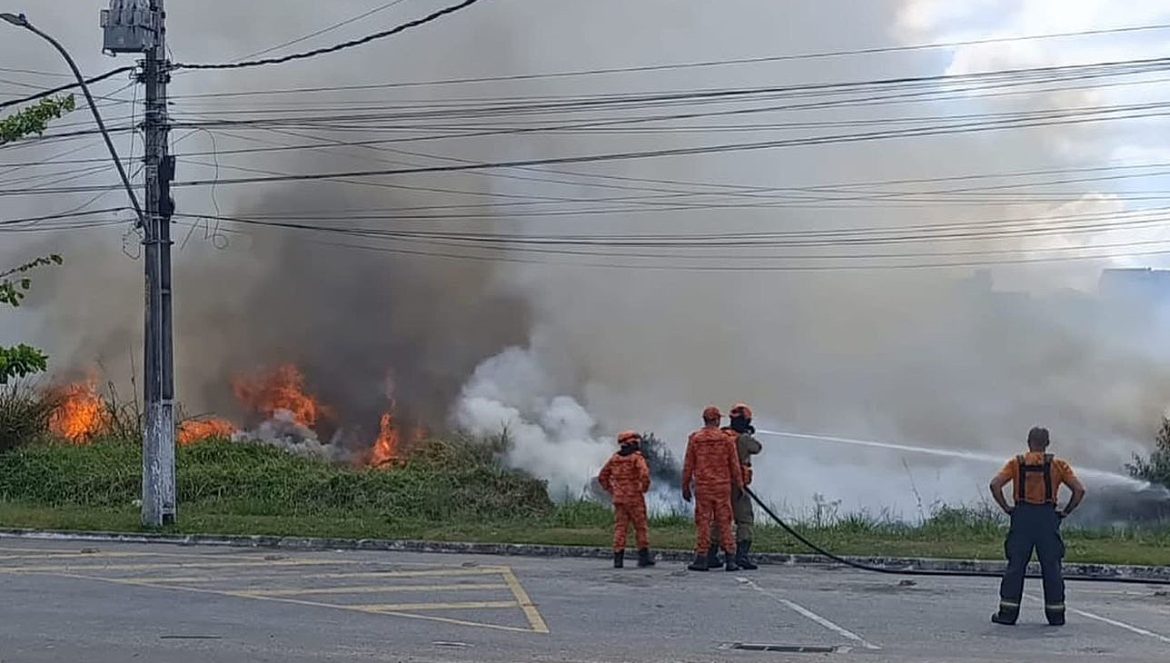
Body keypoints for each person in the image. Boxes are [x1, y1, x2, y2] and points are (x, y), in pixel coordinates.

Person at [989, 426, 1086, 626]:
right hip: (1047, 519)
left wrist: (1007, 507)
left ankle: (1007, 614)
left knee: (1015, 567)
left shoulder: (1016, 463)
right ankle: (1056, 616)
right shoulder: (1059, 465)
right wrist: (1065, 512)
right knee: (1051, 568)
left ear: (1028, 442)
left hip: (1022, 519)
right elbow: (1079, 490)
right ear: (1047, 443)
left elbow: (995, 485)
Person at [682, 406, 743, 572]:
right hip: (723, 486)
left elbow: (688, 465)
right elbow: (734, 465)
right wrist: (739, 485)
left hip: (703, 487)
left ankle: (702, 558)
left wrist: (685, 486)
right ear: (717, 420)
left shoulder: (695, 439)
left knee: (703, 522)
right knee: (725, 522)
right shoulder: (726, 439)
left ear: (704, 420)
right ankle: (731, 559)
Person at [707, 403, 764, 569]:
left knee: (719, 519)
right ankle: (741, 556)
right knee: (745, 519)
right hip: (738, 486)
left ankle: (710, 555)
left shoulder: (721, 435)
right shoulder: (744, 439)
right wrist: (748, 433)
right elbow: (757, 448)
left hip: (719, 483)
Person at [598, 430, 655, 568]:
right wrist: (644, 488)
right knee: (640, 528)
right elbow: (645, 475)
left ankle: (618, 560)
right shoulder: (636, 458)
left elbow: (602, 477)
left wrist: (611, 490)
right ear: (632, 442)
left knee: (620, 528)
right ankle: (643, 557)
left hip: (619, 499)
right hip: (635, 498)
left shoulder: (614, 459)